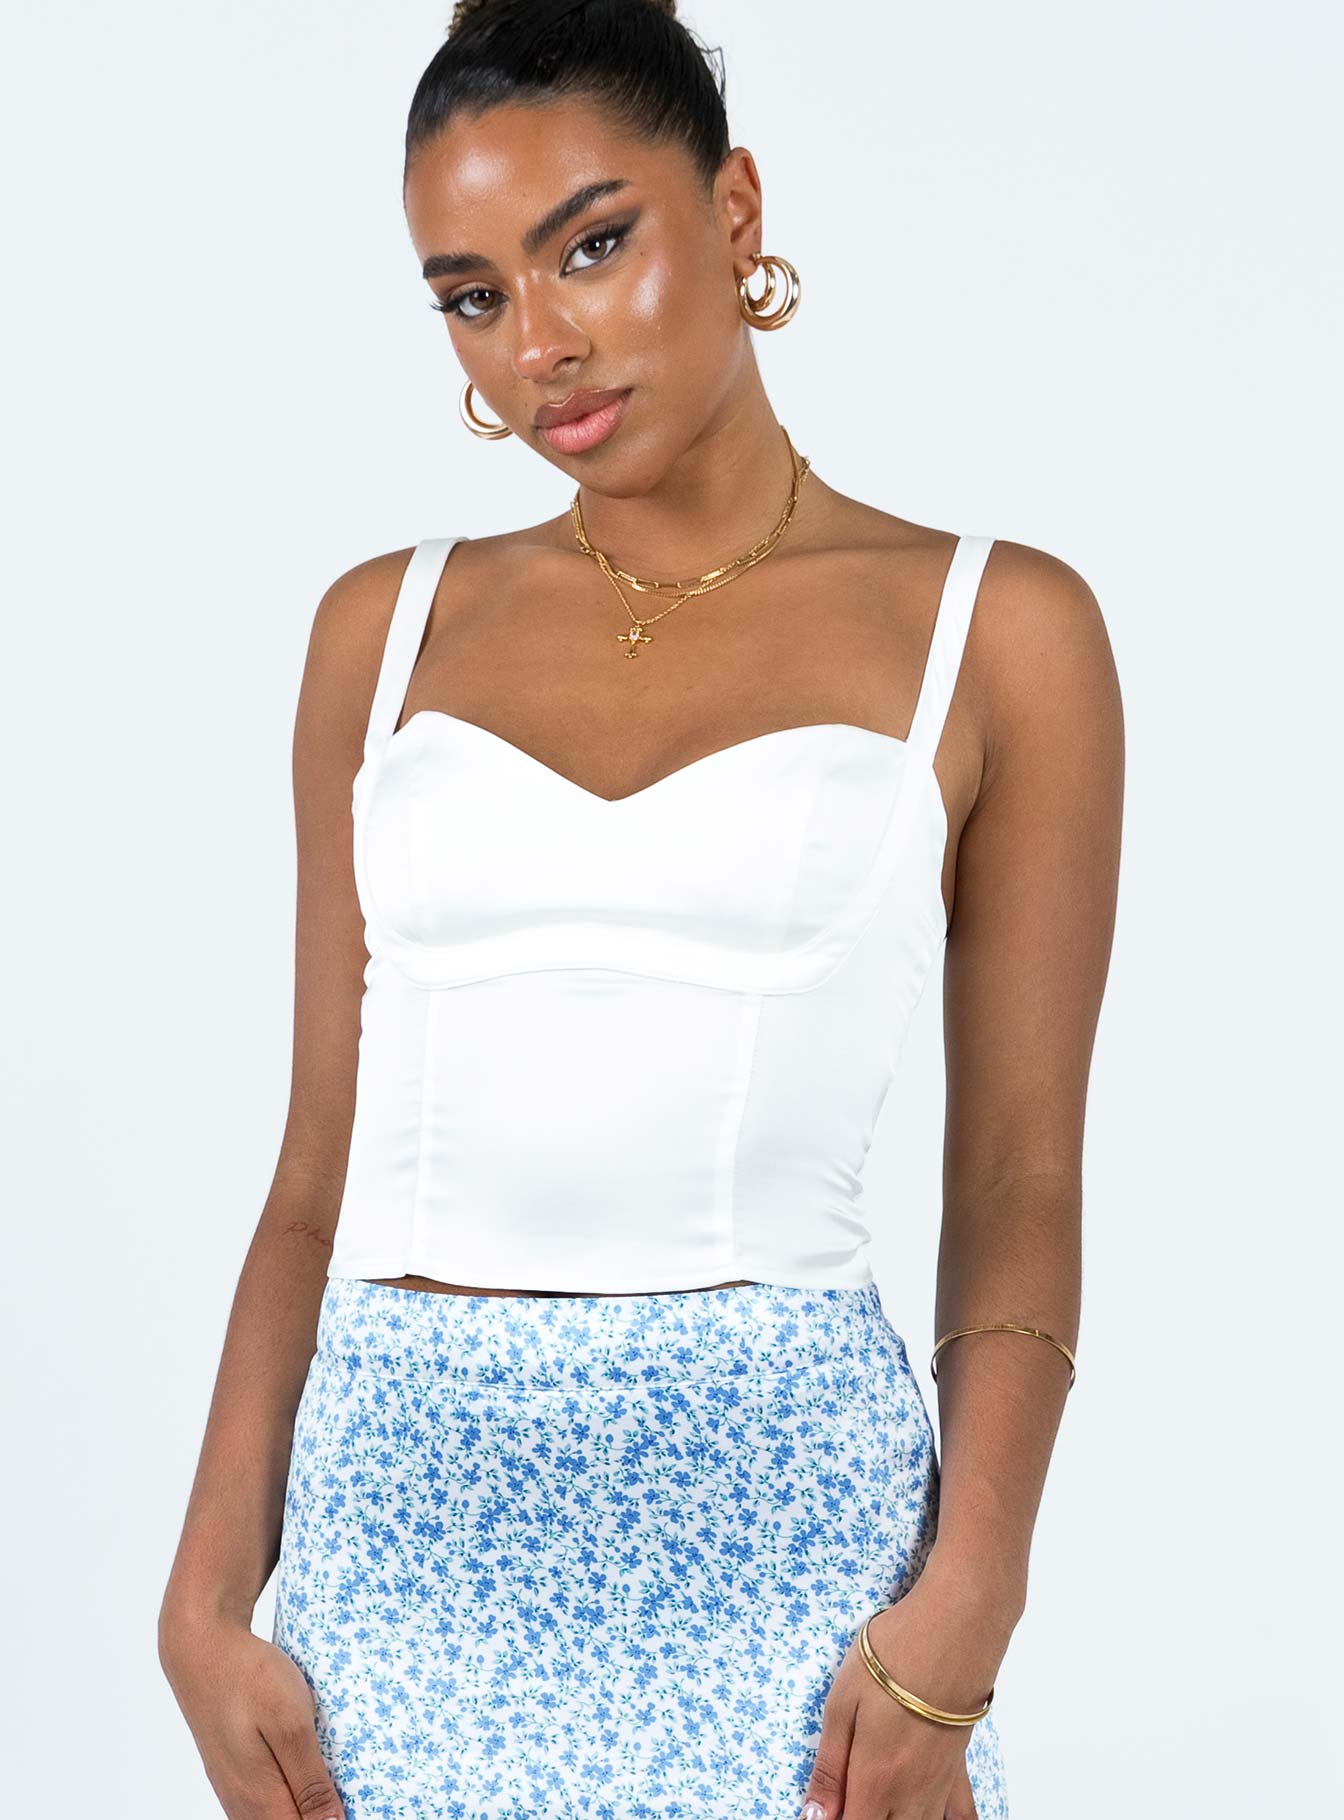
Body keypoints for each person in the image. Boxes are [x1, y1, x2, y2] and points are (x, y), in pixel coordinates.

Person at [157, 3, 1123, 1817]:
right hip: (401, 1558)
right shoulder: (384, 630)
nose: (540, 344)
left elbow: (1020, 1180)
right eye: (473, 295)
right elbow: (309, 1177)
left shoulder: (1000, 632)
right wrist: (203, 1604)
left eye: (591, 246)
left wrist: (971, 1601)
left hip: (798, 1562)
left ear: (737, 210)